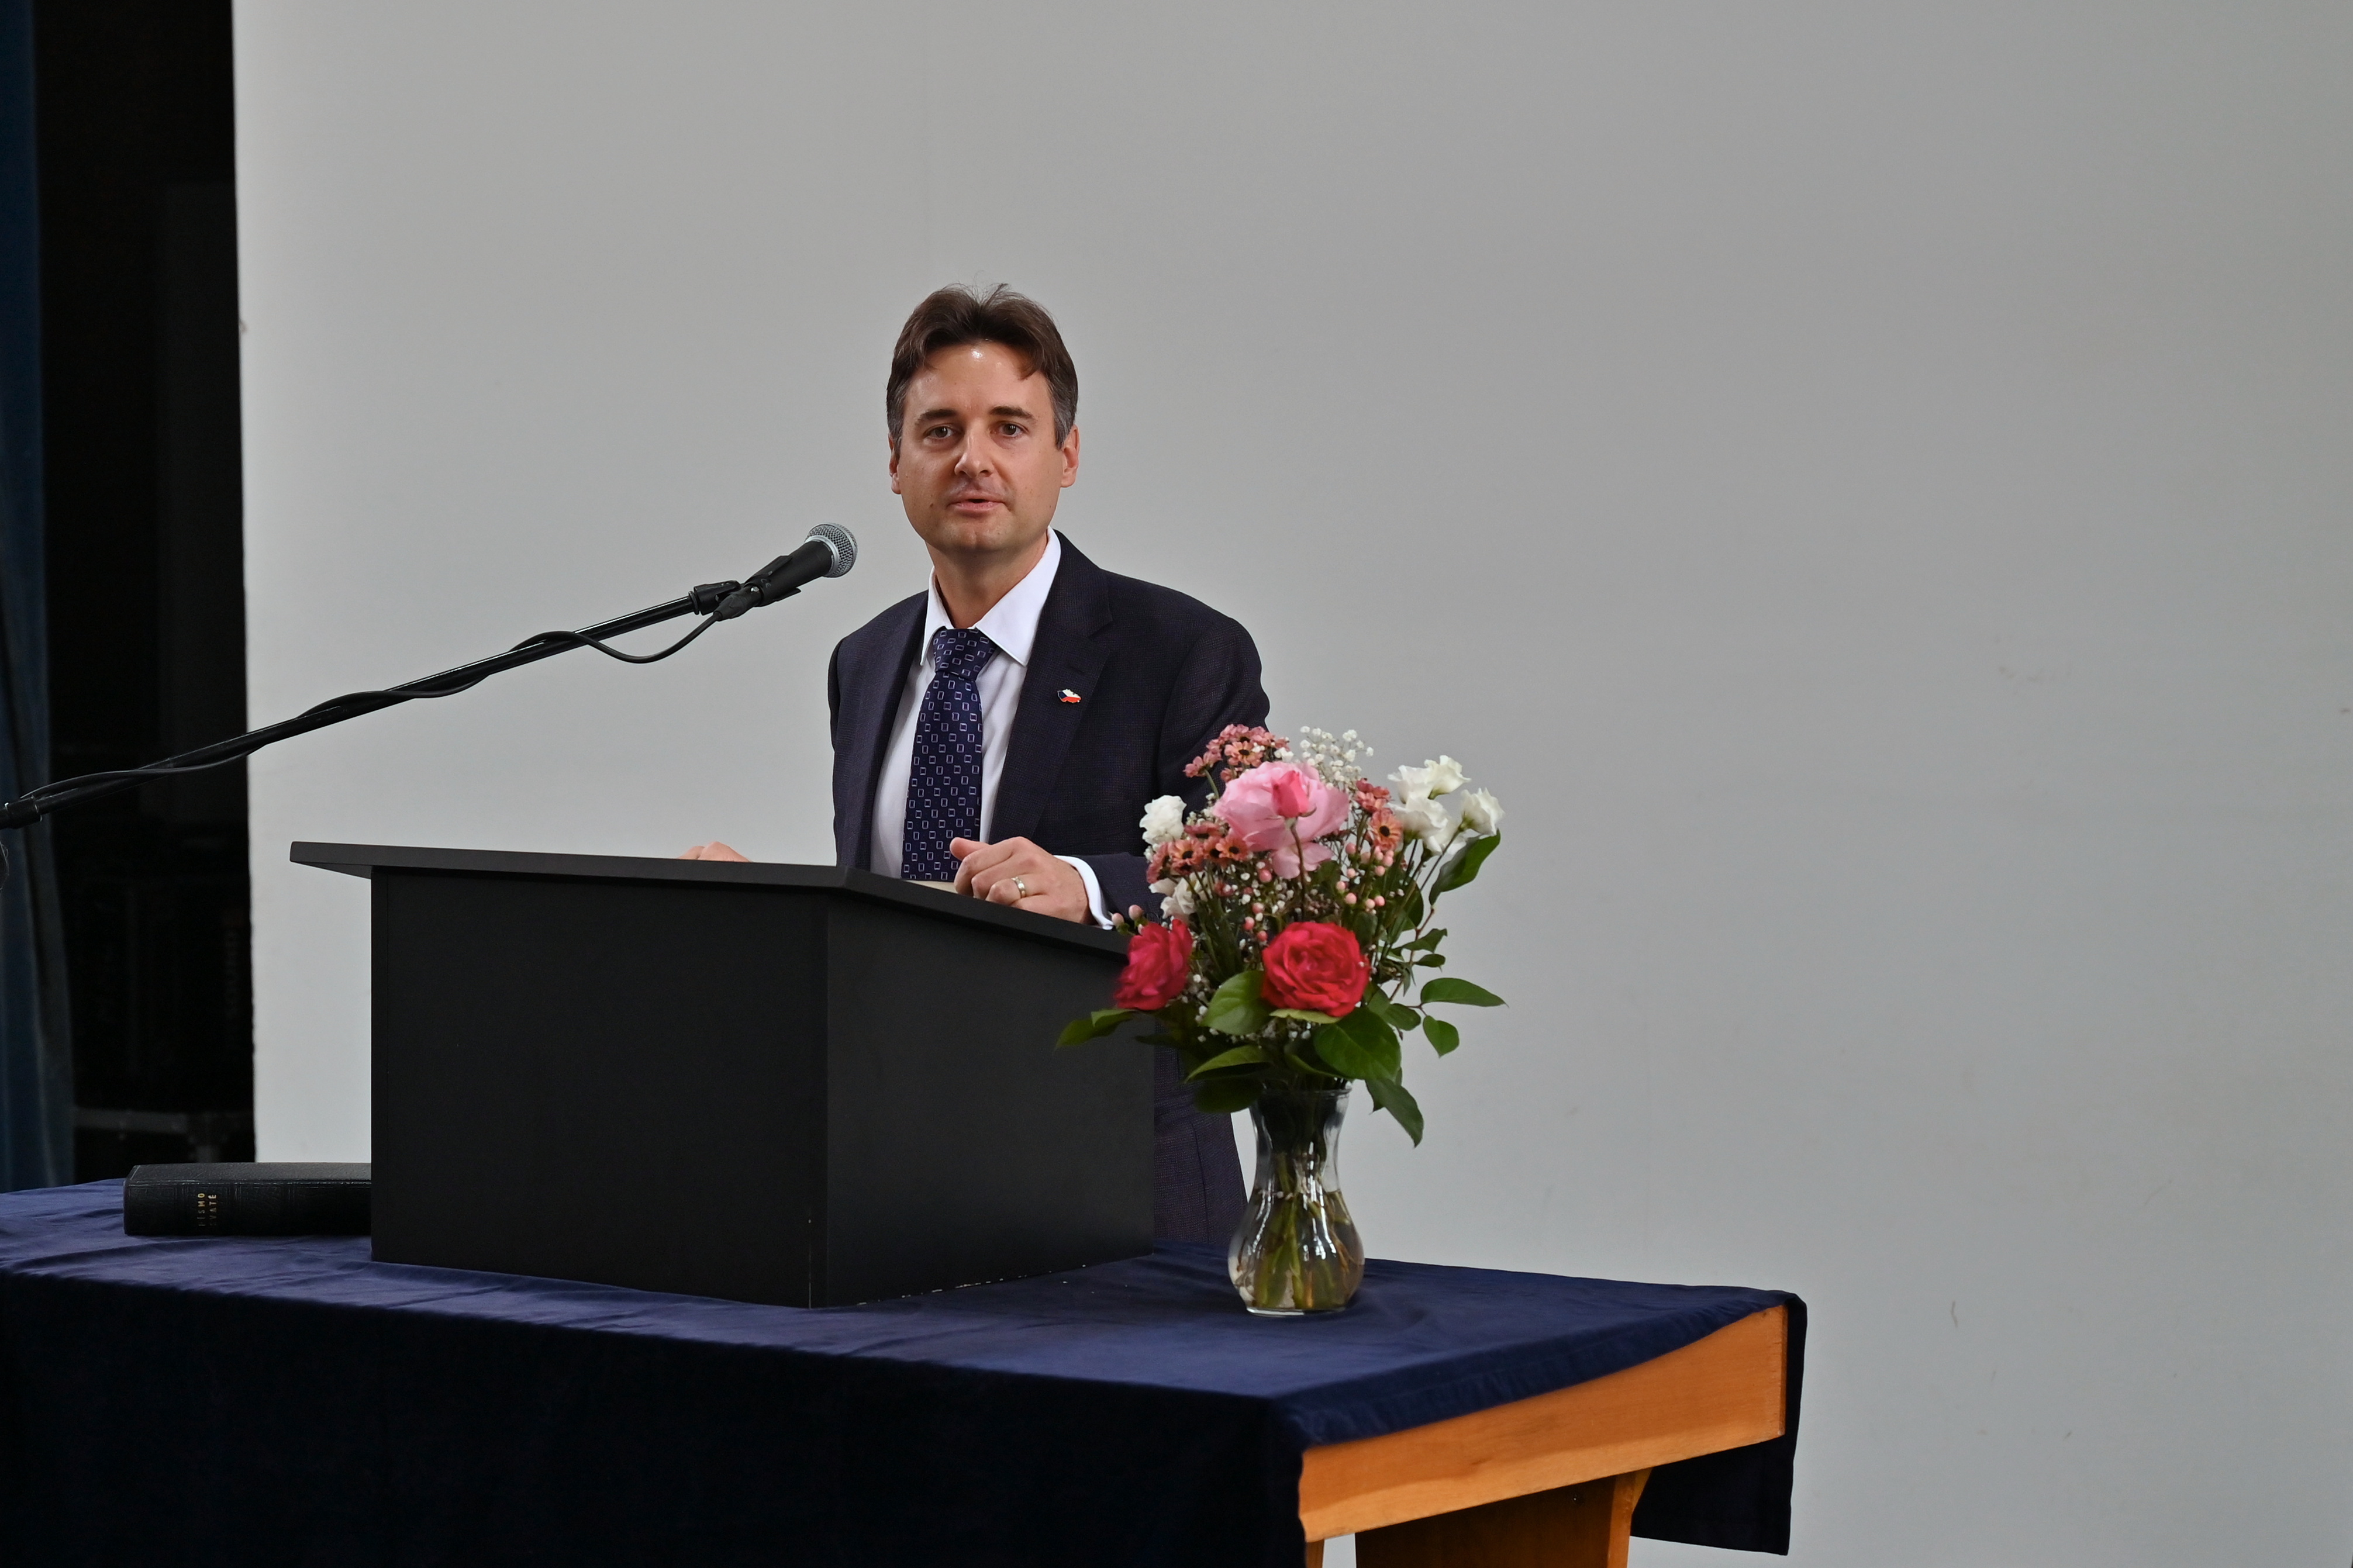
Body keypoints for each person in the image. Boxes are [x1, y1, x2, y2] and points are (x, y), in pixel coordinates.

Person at [684, 285, 1264, 1243]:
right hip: (899, 1172)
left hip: (1119, 1179)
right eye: (940, 430)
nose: (973, 459)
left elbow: (1246, 887)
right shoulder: (864, 661)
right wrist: (775, 916)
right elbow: (891, 921)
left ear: (1067, 455)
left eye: (1009, 427)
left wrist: (1087, 886)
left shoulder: (1181, 650)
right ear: (896, 463)